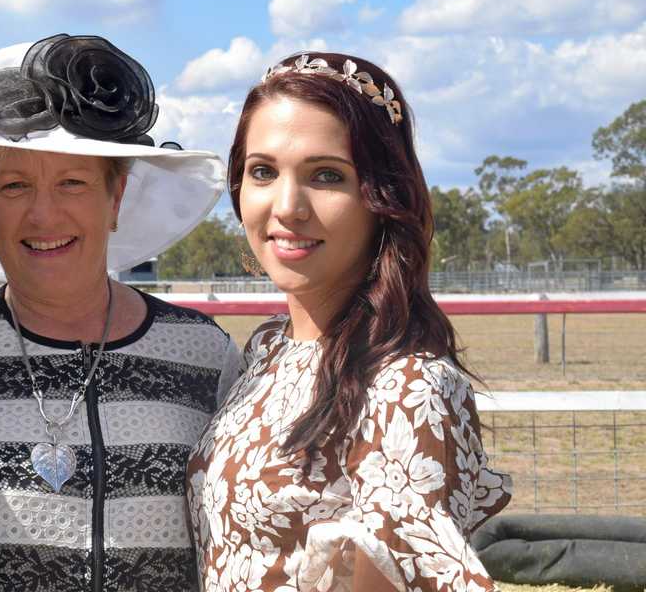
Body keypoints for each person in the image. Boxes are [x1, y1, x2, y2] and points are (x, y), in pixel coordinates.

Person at [0, 34, 242, 590]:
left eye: (73, 182)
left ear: (114, 200)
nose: (44, 214)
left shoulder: (204, 353)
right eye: (14, 186)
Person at [187, 53, 512, 591]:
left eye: (327, 176)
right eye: (263, 171)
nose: (287, 206)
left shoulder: (409, 387)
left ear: (381, 197)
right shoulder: (269, 349)